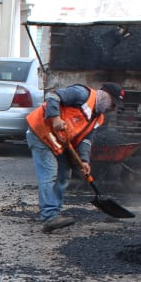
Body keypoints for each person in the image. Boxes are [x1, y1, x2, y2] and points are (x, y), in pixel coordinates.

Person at [24, 81, 123, 233]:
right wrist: (55, 117)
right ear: (105, 95)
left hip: (58, 140)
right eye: (113, 103)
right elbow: (53, 95)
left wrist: (84, 161)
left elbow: (86, 140)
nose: (113, 108)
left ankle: (54, 213)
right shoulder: (82, 94)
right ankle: (49, 217)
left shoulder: (98, 118)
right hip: (41, 132)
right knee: (49, 173)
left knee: (64, 174)